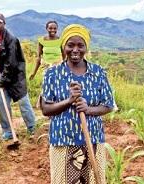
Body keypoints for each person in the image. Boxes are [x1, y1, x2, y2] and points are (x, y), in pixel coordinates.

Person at [41, 24, 114, 183]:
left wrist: (88, 109)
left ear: (86, 47)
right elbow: (45, 109)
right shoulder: (52, 73)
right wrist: (69, 101)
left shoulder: (98, 72)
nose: (75, 50)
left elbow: (108, 105)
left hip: (93, 139)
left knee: (93, 179)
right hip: (63, 140)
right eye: (70, 45)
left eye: (80, 45)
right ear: (64, 46)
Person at [0, 12, 36, 140]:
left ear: (3, 24)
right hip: (3, 72)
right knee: (1, 103)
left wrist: (2, 80)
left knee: (23, 102)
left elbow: (11, 63)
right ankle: (7, 132)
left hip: (16, 74)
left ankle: (32, 128)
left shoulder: (10, 39)